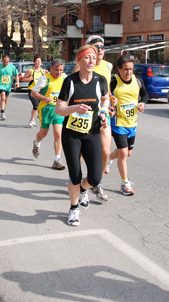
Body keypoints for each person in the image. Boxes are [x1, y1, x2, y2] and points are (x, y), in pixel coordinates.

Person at [56, 44, 110, 226]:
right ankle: (73, 208)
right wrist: (75, 108)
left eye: (94, 58)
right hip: (71, 134)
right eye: (87, 57)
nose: (91, 61)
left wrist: (103, 112)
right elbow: (59, 109)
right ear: (80, 59)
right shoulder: (70, 81)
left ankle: (83, 190)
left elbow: (105, 98)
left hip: (92, 132)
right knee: (75, 174)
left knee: (96, 177)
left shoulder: (100, 80)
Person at [75, 35, 114, 202]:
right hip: (84, 117)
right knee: (80, 153)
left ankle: (96, 182)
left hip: (102, 116)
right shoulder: (79, 67)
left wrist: (110, 103)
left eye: (102, 46)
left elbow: (107, 92)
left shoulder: (108, 66)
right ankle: (76, 179)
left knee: (105, 152)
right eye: (96, 46)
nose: (100, 49)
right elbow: (75, 91)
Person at [107, 53, 148, 196]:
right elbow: (106, 96)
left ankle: (109, 158)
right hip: (118, 122)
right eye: (125, 69)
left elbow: (144, 95)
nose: (128, 72)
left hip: (132, 123)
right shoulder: (114, 81)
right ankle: (125, 183)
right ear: (119, 69)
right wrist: (111, 99)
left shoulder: (137, 81)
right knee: (123, 153)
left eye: (131, 69)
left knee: (127, 153)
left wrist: (142, 103)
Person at [31, 59, 66, 170]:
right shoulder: (44, 79)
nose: (58, 72)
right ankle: (37, 143)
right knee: (43, 133)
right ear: (51, 68)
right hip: (46, 109)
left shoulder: (65, 78)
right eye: (56, 70)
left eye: (61, 70)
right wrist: (44, 98)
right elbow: (33, 92)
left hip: (59, 109)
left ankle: (57, 159)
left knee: (58, 134)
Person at [0, 55, 20, 120]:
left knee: (6, 98)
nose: (6, 64)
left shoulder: (12, 67)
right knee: (3, 97)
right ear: (2, 61)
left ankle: (3, 109)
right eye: (4, 62)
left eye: (7, 62)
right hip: (1, 84)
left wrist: (17, 82)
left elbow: (16, 74)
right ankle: (2, 112)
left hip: (8, 85)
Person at [24, 56, 46, 128]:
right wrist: (29, 79)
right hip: (32, 90)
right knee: (35, 106)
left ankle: (34, 119)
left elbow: (49, 77)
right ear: (34, 62)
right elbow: (24, 78)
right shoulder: (30, 71)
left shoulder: (43, 71)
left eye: (39, 61)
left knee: (39, 106)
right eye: (37, 61)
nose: (38, 63)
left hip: (40, 91)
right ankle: (32, 120)